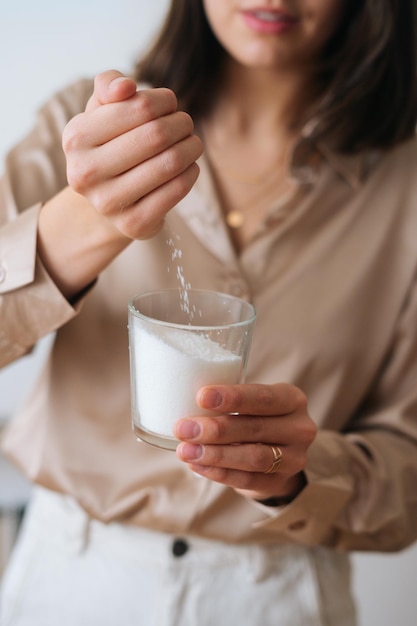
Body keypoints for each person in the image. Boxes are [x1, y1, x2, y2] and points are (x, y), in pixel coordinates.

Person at [1, 0, 417, 624]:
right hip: (70, 579)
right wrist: (81, 222)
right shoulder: (85, 127)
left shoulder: (405, 186)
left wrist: (298, 478)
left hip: (281, 595)